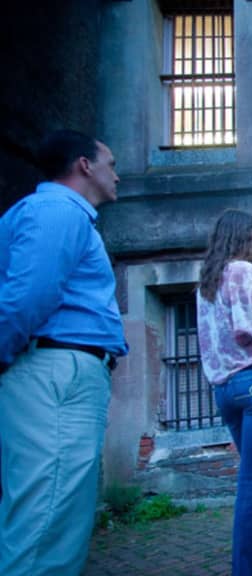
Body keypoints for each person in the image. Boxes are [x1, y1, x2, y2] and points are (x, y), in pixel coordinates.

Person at [0, 129, 128, 575]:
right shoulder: (57, 210)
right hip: (55, 369)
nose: (117, 174)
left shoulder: (59, 213)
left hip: (56, 367)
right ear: (84, 165)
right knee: (46, 515)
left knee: (56, 513)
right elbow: (26, 297)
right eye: (110, 164)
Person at [196, 209, 252, 576]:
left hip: (225, 390)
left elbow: (208, 343)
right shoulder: (244, 272)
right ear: (242, 238)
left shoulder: (207, 281)